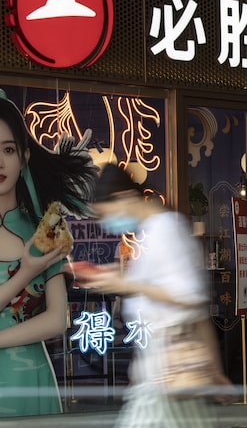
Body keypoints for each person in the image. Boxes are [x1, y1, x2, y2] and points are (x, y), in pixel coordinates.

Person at [81, 164, 232, 427]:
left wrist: (128, 285)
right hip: (163, 374)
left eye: (106, 215)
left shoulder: (164, 230)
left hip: (168, 372)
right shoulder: (154, 232)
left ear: (124, 198)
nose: (107, 224)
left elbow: (187, 297)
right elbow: (196, 311)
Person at [0, 90, 96, 417]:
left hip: (30, 380)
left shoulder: (48, 225)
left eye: (8, 150)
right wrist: (26, 271)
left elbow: (57, 320)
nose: (0, 162)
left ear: (24, 156)